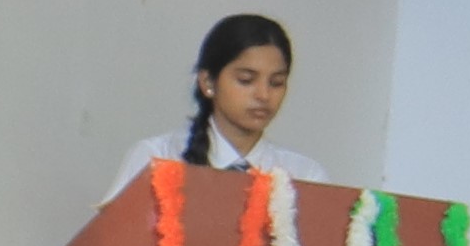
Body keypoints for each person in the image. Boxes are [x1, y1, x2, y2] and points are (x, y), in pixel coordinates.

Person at [108, 12, 330, 212]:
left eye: (276, 83)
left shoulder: (304, 177)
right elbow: (113, 239)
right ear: (207, 82)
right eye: (246, 80)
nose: (263, 95)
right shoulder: (157, 158)